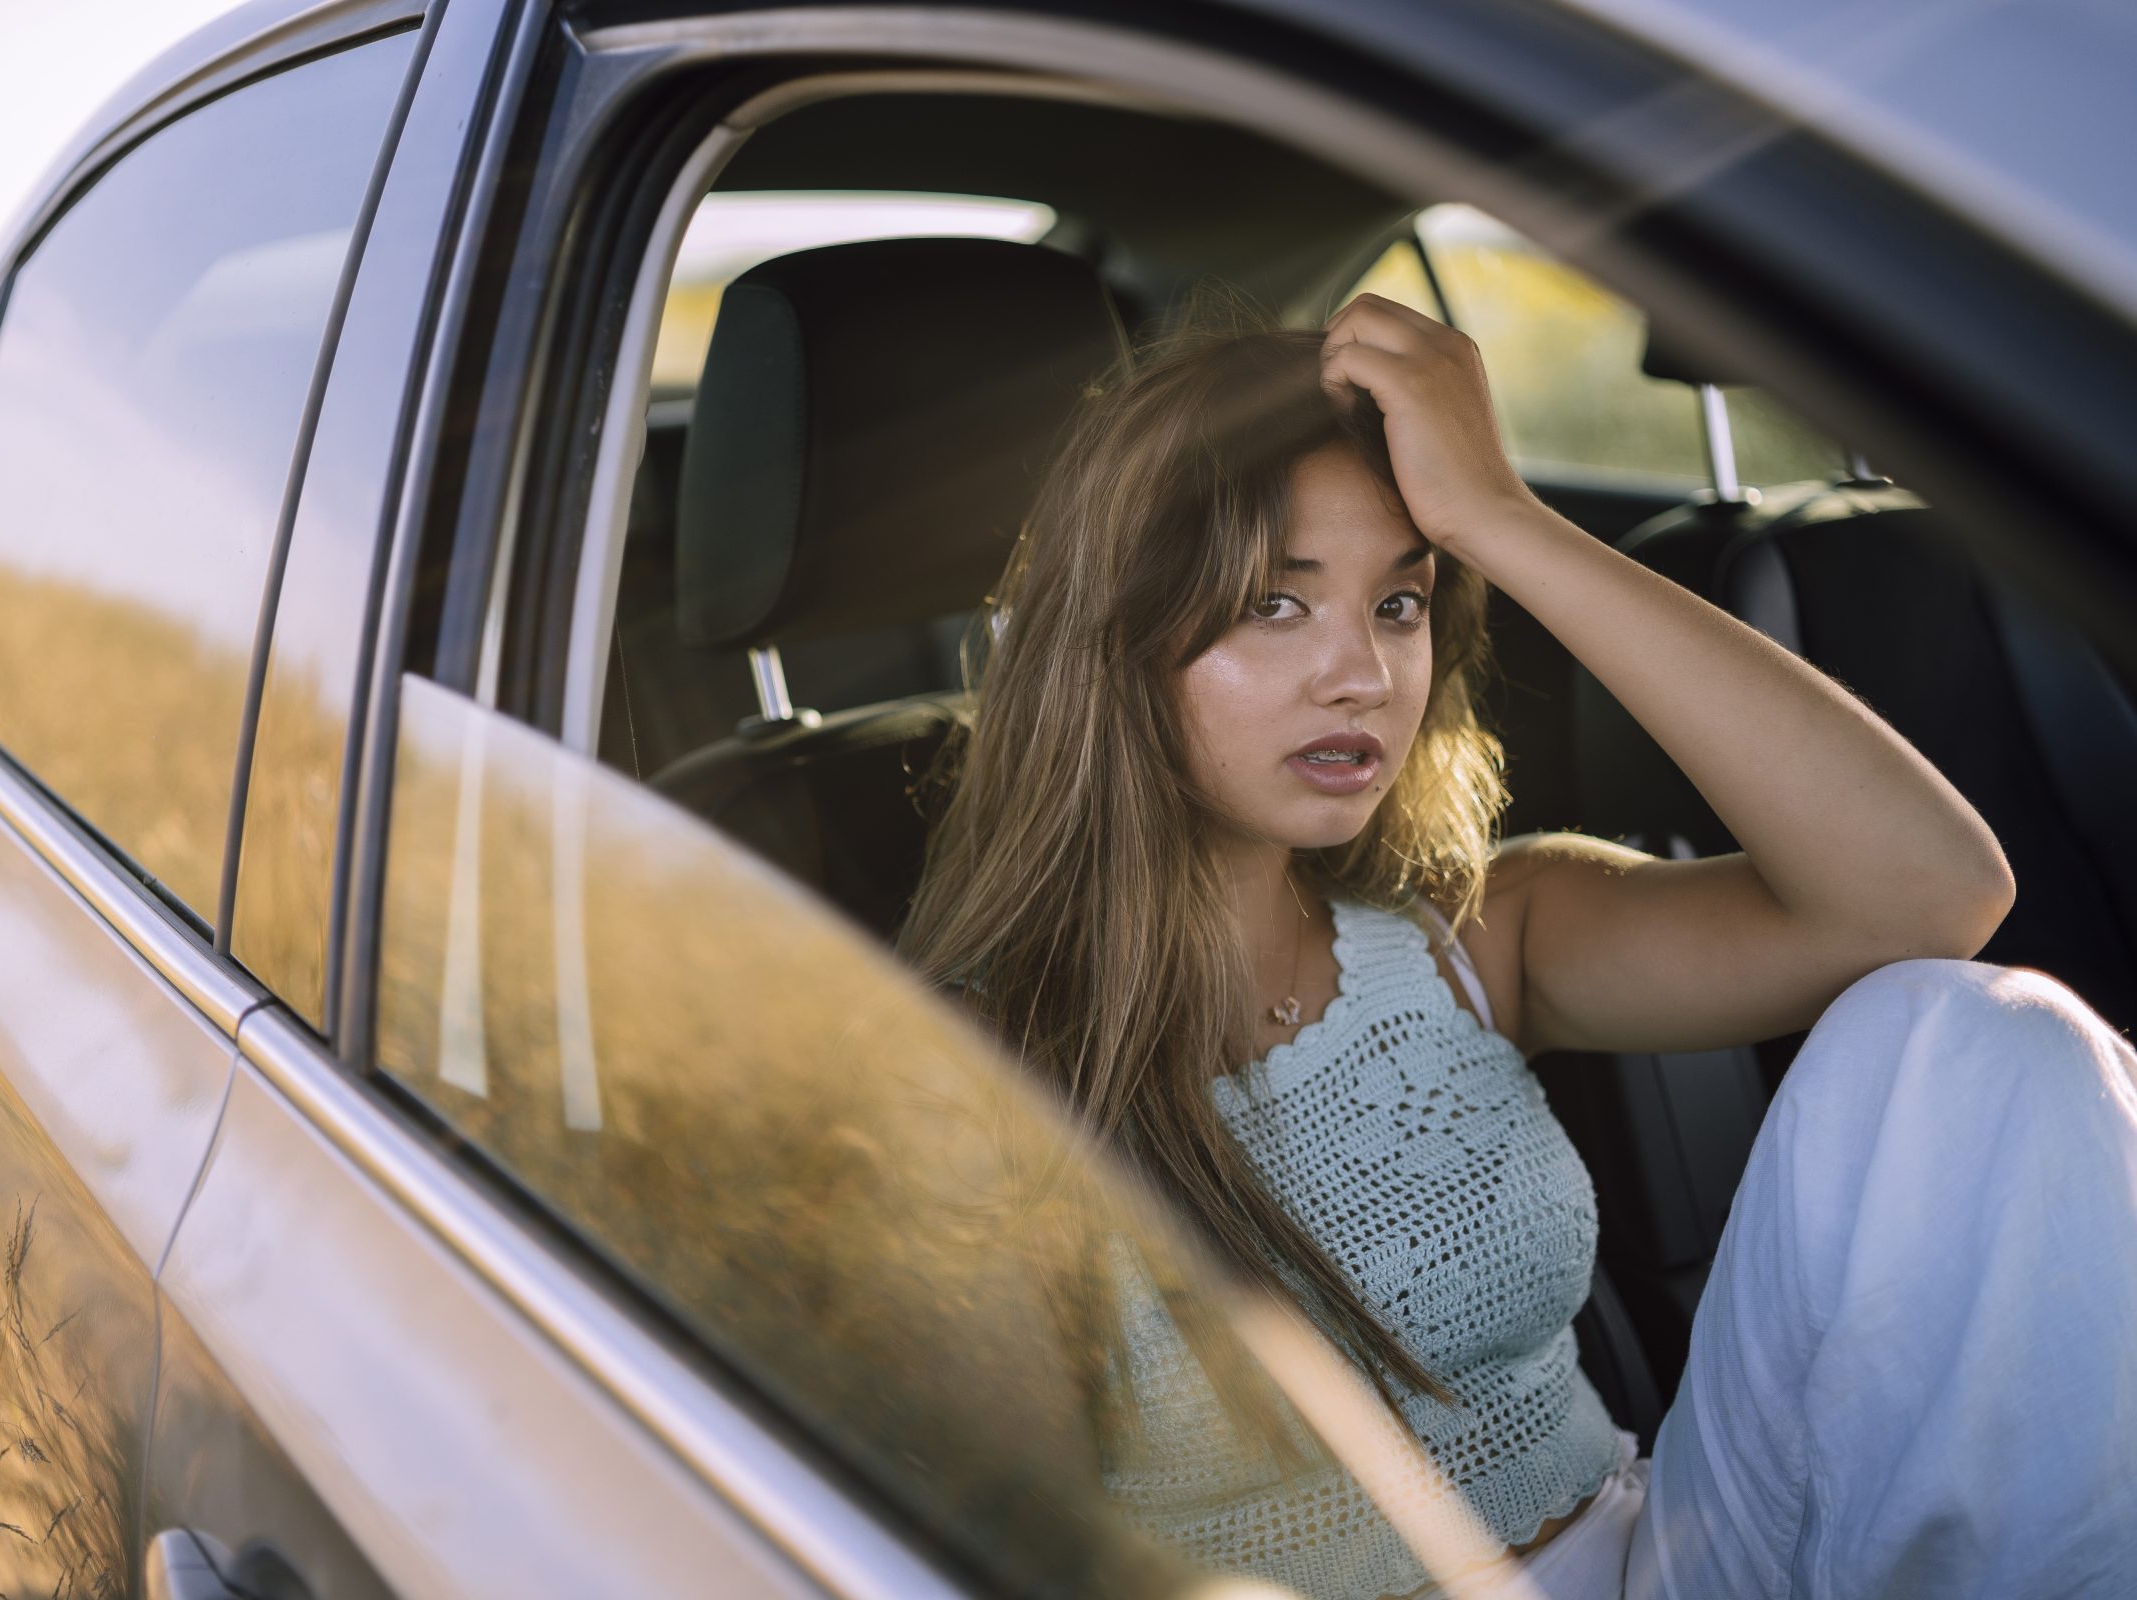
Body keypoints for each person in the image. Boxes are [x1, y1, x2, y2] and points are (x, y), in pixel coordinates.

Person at [897, 286, 2137, 1599]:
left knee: (1981, 1036)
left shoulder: (1477, 941)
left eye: (1401, 603)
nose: (1361, 675)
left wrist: (1503, 515)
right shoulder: (961, 1082)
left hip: (1665, 1557)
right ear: (1117, 644)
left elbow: (1930, 892)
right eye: (1276, 603)